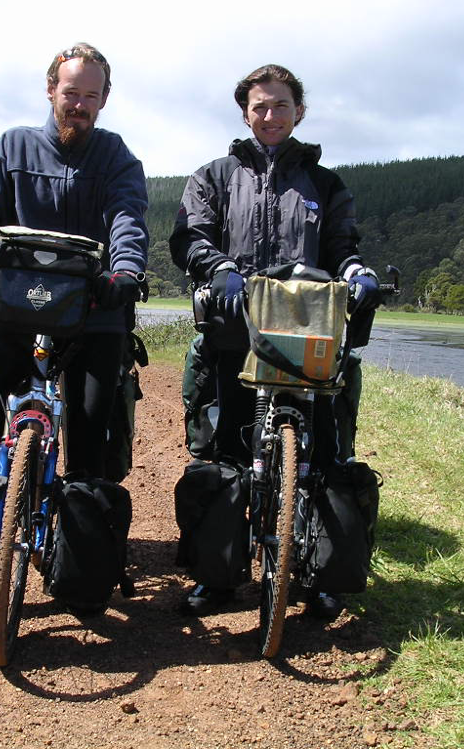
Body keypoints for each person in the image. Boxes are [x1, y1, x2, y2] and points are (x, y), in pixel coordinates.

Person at [169, 64, 381, 618]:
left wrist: (357, 271)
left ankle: (319, 574)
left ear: (299, 112)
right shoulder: (214, 176)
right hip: (235, 330)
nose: (269, 115)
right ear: (245, 113)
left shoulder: (325, 183)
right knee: (226, 455)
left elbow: (342, 243)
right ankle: (217, 579)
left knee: (323, 457)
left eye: (280, 105)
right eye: (259, 106)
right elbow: (191, 234)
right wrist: (218, 268)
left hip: (310, 329)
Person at [0, 42, 149, 481]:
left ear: (104, 99)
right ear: (51, 89)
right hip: (21, 304)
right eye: (71, 93)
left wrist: (126, 271)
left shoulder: (116, 157)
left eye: (91, 97)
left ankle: (84, 507)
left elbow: (127, 219)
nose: (80, 105)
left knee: (94, 421)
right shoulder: (13, 147)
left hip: (94, 309)